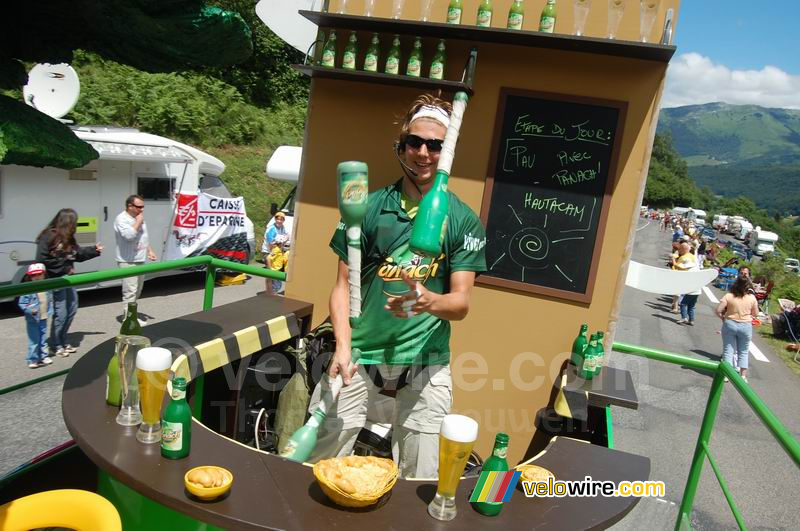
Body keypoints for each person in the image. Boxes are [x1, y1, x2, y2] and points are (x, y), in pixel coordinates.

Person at [307, 94, 487, 478]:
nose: (423, 153)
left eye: (435, 145)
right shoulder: (369, 208)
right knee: (320, 462)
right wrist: (341, 346)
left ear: (447, 150)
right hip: (358, 354)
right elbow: (341, 286)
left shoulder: (461, 219)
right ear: (402, 146)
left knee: (421, 476)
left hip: (425, 362)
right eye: (415, 142)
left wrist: (428, 300)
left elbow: (461, 304)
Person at [36, 208, 103, 356]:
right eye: (74, 222)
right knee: (61, 312)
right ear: (67, 222)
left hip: (69, 280)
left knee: (72, 309)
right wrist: (65, 266)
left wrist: (95, 250)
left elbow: (76, 254)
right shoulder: (48, 236)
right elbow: (42, 260)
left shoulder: (68, 238)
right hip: (56, 280)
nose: (76, 226)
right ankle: (56, 344)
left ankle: (63, 340)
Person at [114, 195, 157, 321]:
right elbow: (129, 236)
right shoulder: (121, 219)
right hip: (127, 260)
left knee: (138, 289)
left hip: (139, 259)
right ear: (130, 206)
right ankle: (129, 320)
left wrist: (150, 250)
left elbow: (143, 236)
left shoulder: (139, 217)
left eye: (143, 207)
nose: (142, 209)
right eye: (139, 207)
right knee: (130, 291)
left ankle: (131, 314)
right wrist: (138, 221)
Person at [715, 276, 759, 383]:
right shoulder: (752, 298)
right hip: (745, 325)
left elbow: (718, 310)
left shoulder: (729, 296)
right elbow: (756, 314)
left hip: (730, 323)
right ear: (748, 286)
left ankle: (726, 374)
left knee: (728, 350)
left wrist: (723, 318)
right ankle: (743, 375)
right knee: (743, 351)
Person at [18, 263, 53, 368]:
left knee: (43, 338)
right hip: (32, 319)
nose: (36, 277)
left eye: (39, 274)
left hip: (43, 317)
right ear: (30, 277)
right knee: (34, 339)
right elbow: (22, 303)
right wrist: (29, 310)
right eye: (33, 275)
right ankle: (32, 359)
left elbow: (49, 299)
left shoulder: (46, 287)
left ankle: (43, 356)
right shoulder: (28, 289)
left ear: (44, 274)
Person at [261, 211, 288, 291]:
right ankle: (269, 291)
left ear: (283, 220)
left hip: (276, 252)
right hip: (268, 252)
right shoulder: (272, 228)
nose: (279, 221)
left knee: (275, 270)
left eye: (281, 219)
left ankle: (272, 291)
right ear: (275, 219)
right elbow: (270, 242)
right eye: (277, 219)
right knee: (270, 272)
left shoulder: (282, 228)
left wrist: (283, 243)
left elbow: (283, 239)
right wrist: (273, 251)